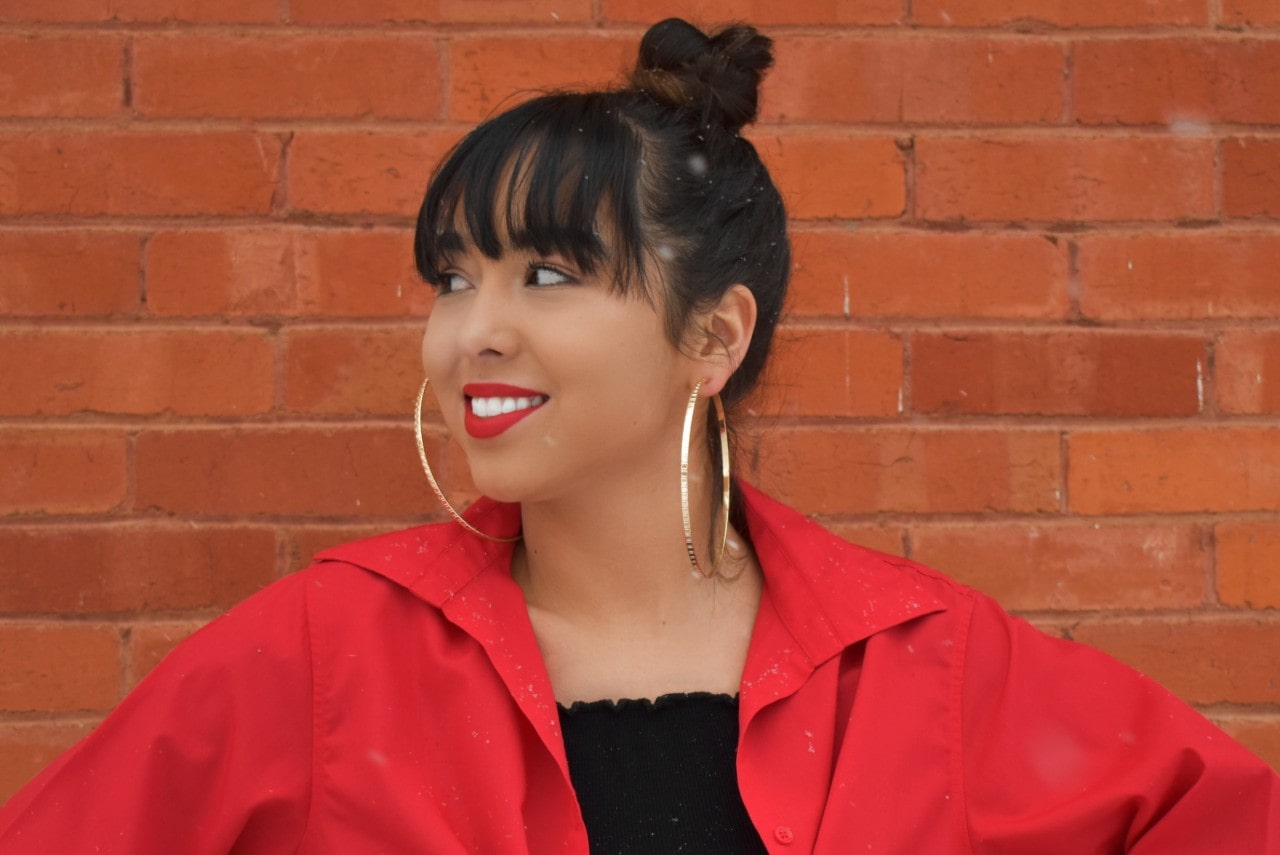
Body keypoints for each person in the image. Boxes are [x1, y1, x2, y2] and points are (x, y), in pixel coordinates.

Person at [1, 17, 1277, 854]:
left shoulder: (924, 666)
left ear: (712, 338)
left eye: (545, 278)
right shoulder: (320, 655)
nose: (470, 334)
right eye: (453, 279)